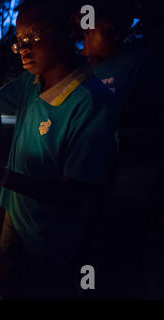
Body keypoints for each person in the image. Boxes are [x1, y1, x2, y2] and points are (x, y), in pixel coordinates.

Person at [0, 0, 117, 299]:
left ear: (68, 30)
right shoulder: (30, 82)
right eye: (20, 39)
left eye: (35, 35)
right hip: (15, 215)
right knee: (7, 280)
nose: (25, 47)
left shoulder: (91, 102)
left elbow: (73, 193)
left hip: (52, 237)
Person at [80, 0, 164, 298]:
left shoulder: (139, 62)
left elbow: (151, 118)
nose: (85, 37)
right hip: (97, 174)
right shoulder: (86, 71)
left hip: (132, 171)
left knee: (126, 239)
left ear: (112, 30)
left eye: (91, 30)